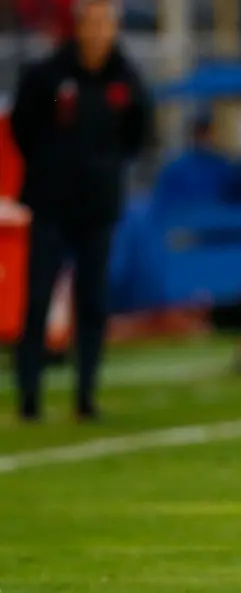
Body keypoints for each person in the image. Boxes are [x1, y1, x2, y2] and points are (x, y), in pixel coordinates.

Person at [11, 0, 150, 422]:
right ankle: (29, 397)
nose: (98, 31)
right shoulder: (48, 74)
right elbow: (23, 127)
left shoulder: (126, 80)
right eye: (91, 22)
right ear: (78, 25)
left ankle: (85, 395)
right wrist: (53, 167)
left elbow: (136, 135)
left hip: (98, 205)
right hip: (51, 203)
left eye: (105, 22)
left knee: (92, 302)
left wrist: (101, 170)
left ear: (114, 27)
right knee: (37, 299)